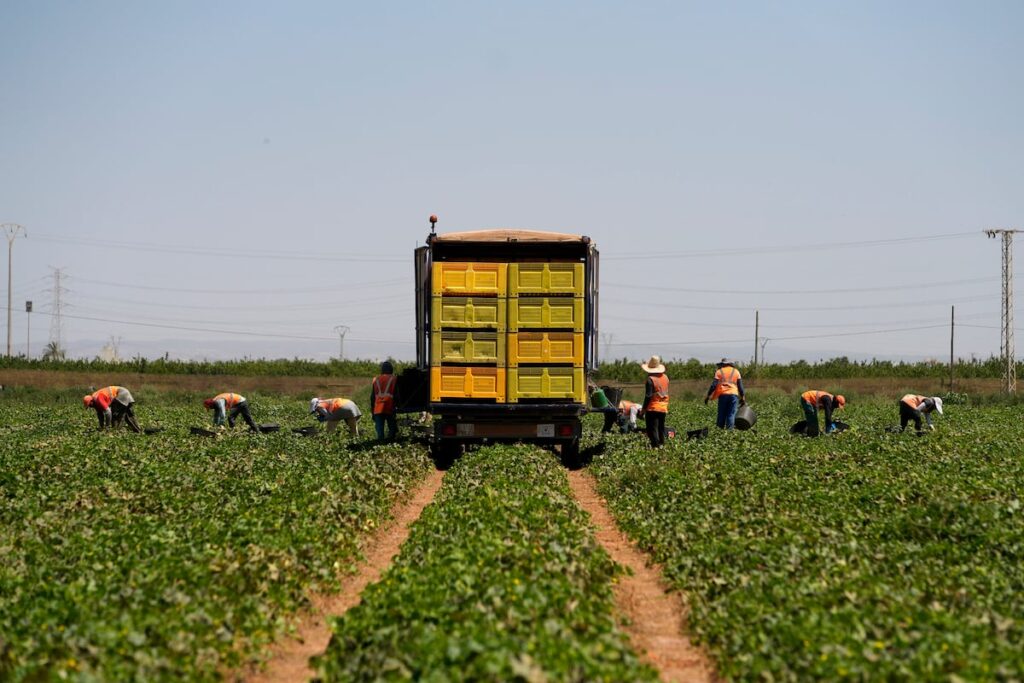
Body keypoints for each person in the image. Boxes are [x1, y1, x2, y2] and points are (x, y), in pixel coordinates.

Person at [704, 358, 746, 429]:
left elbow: (713, 385)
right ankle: (729, 432)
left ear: (723, 364)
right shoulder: (736, 372)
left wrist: (708, 396)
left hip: (723, 394)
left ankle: (719, 431)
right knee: (731, 414)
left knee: (721, 414)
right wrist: (743, 397)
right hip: (733, 394)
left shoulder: (719, 371)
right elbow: (740, 386)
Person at [639, 355, 669, 447]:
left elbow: (648, 396)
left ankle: (655, 447)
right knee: (661, 428)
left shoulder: (650, 380)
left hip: (653, 408)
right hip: (663, 407)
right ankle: (662, 446)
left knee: (652, 429)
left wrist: (643, 410)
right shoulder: (665, 377)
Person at [370, 361, 399, 441]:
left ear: (382, 370)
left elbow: (372, 397)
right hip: (389, 406)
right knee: (392, 429)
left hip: (378, 408)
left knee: (380, 432)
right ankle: (390, 441)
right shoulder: (394, 378)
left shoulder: (376, 380)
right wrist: (397, 406)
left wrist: (372, 411)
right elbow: (397, 394)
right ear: (391, 369)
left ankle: (381, 443)